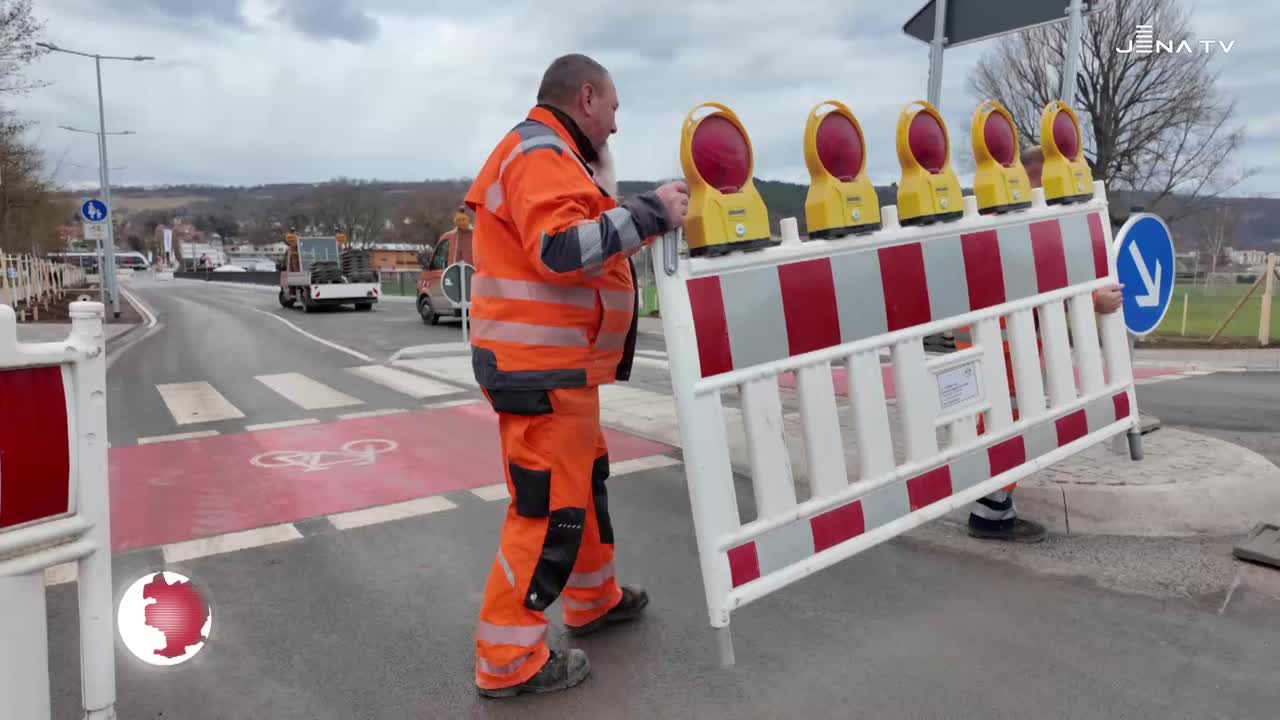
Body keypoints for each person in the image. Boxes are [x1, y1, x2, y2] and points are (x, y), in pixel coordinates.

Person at [462, 53, 688, 698]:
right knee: (547, 509)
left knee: (582, 487)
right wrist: (648, 213)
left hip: (557, 370)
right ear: (587, 97)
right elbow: (562, 251)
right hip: (540, 371)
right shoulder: (540, 154)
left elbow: (586, 246)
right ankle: (508, 659)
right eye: (613, 108)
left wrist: (638, 222)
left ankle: (592, 599)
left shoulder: (554, 157)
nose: (615, 125)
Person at [961, 144, 1123, 543]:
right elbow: (1043, 283)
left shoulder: (997, 218)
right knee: (1006, 426)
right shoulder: (1018, 224)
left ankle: (998, 507)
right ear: (1034, 176)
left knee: (998, 426)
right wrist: (1093, 302)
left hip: (997, 345)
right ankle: (989, 514)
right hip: (1005, 350)